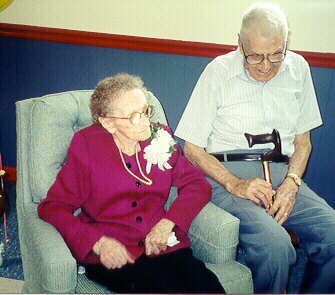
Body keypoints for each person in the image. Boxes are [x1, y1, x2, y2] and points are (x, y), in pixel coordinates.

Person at [175, 2, 335, 294]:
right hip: (227, 175)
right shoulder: (218, 72)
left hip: (282, 172)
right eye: (256, 56)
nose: (266, 66)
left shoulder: (298, 68)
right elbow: (192, 149)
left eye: (276, 55)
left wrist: (292, 183)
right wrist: (235, 183)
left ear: (286, 43)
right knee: (276, 246)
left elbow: (303, 142)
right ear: (239, 43)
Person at [38, 73, 225, 294]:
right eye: (135, 116)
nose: (146, 122)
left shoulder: (160, 137)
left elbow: (198, 185)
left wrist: (168, 223)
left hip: (162, 245)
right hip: (115, 254)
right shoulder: (87, 146)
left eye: (146, 111)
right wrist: (98, 243)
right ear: (108, 122)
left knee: (209, 286)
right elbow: (53, 207)